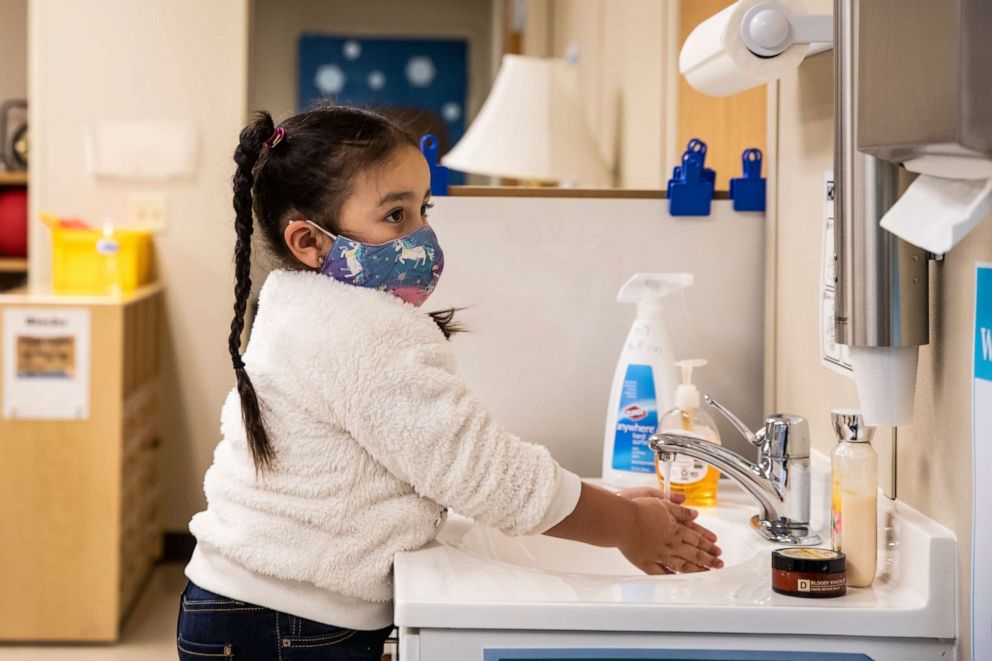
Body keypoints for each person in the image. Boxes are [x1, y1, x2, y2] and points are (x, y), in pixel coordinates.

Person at [176, 105, 722, 661]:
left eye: (422, 208)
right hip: (282, 620)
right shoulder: (360, 331)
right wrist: (625, 525)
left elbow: (424, 467)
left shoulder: (304, 309)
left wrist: (599, 504)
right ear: (311, 243)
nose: (422, 235)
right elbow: (481, 471)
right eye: (395, 216)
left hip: (248, 605)